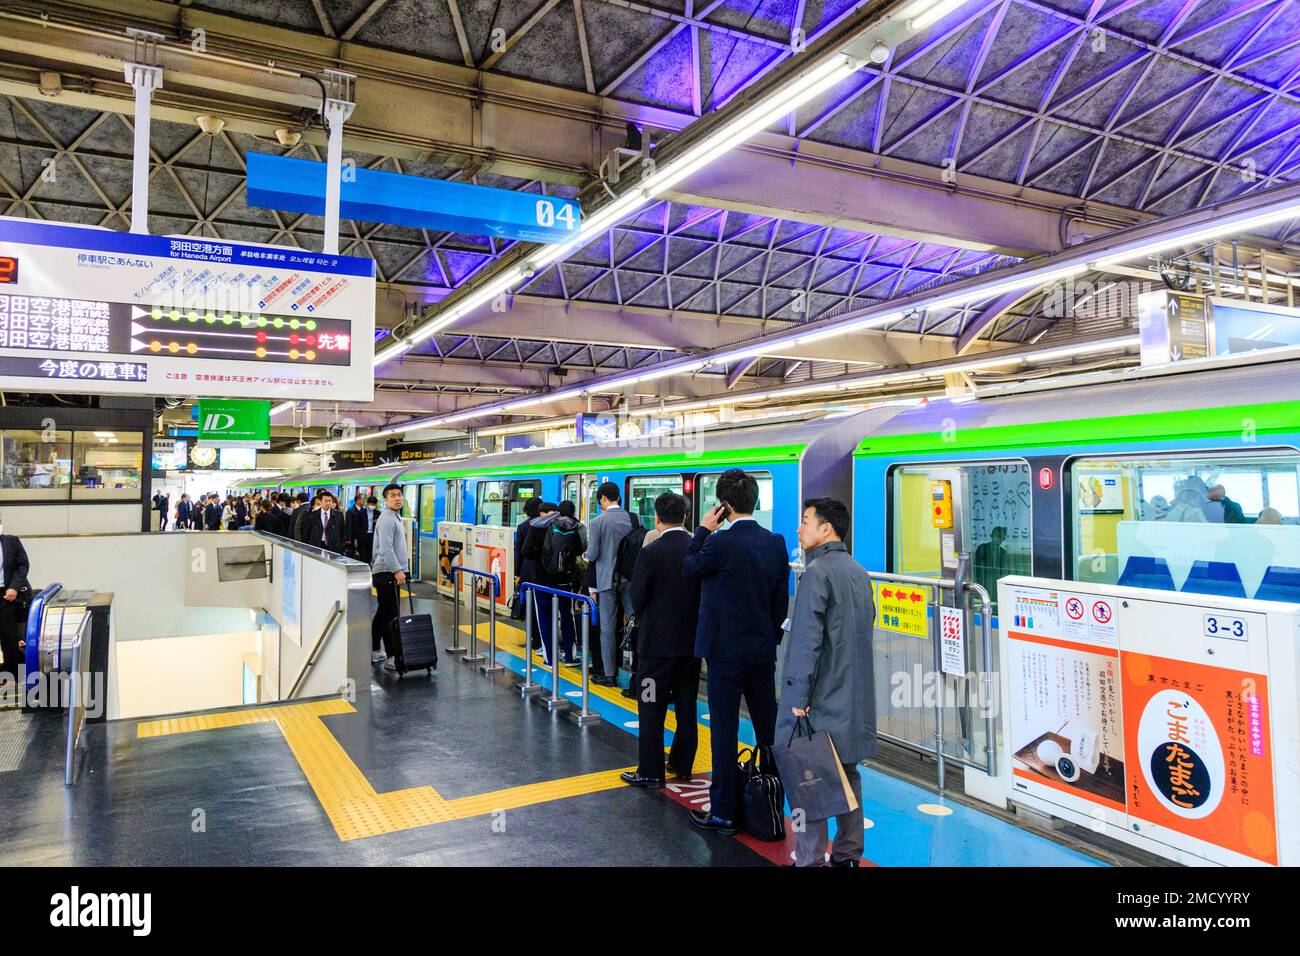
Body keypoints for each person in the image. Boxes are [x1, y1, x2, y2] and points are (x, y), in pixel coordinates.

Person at [681, 468, 789, 834]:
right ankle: (773, 806)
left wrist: (703, 530)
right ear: (755, 502)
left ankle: (724, 811)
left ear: (723, 506)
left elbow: (689, 569)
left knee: (724, 730)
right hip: (761, 652)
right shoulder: (774, 542)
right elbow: (779, 603)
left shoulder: (719, 543)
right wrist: (769, 637)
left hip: (724, 653)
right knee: (768, 730)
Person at [777, 497, 875, 867]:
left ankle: (811, 859)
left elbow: (806, 643)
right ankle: (848, 855)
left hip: (819, 699)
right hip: (852, 696)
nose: (799, 528)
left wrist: (797, 697)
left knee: (809, 777)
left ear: (825, 529)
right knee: (848, 773)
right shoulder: (857, 571)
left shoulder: (816, 575)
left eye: (805, 521)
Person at [621, 492, 701, 789]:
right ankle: (682, 764)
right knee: (686, 704)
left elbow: (637, 596)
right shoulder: (698, 547)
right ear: (684, 516)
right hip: (691, 645)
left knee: (651, 705)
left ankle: (651, 770)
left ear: (657, 518)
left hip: (655, 647)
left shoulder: (651, 552)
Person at [583, 481, 635, 686]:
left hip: (606, 582)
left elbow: (593, 554)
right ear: (619, 497)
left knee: (607, 629)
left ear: (603, 498)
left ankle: (610, 675)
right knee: (634, 625)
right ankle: (636, 674)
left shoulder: (598, 522)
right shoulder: (633, 518)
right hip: (629, 579)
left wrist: (585, 554)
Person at [524, 501, 581, 666]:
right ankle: (570, 657)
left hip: (542, 582)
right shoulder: (569, 524)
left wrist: (541, 556)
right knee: (567, 616)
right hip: (564, 581)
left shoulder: (536, 526)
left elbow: (526, 551)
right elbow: (578, 550)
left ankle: (550, 658)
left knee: (545, 619)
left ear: (542, 512)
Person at [371, 484, 408, 669]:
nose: (397, 498)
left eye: (400, 494)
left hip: (385, 571)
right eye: (393, 495)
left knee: (383, 613)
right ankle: (392, 657)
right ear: (385, 500)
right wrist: (397, 570)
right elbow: (386, 548)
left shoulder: (394, 517)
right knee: (391, 616)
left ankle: (376, 650)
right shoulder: (387, 519)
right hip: (386, 572)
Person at [0, 514, 30, 688]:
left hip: (6, 595)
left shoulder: (11, 542)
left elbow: (23, 565)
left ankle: (13, 679)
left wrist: (14, 587)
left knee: (10, 638)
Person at [514, 497, 542, 649]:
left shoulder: (522, 526)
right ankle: (543, 639)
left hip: (527, 570)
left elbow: (518, 551)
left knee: (530, 606)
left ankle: (534, 639)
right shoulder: (545, 525)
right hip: (542, 571)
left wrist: (517, 574)